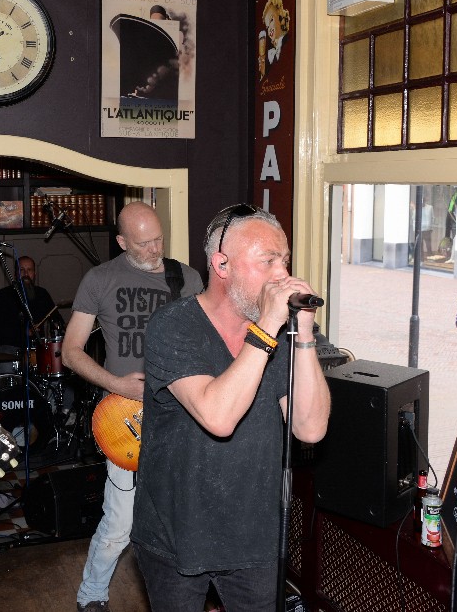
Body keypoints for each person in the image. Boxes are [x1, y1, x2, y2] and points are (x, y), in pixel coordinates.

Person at [132, 204, 331, 611]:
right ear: (221, 265)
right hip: (176, 534)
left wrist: (305, 334)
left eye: (285, 261)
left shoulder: (282, 335)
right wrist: (266, 331)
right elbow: (218, 417)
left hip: (253, 536)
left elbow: (310, 428)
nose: (282, 275)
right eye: (268, 261)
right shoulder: (173, 325)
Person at [62, 201, 203, 612]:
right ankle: (91, 595)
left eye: (159, 238)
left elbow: (203, 342)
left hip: (182, 417)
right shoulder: (99, 280)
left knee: (186, 516)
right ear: (122, 241)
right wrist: (117, 384)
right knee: (120, 523)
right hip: (126, 420)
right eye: (144, 243)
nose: (155, 249)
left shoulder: (187, 278)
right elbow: (71, 352)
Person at [0, 255, 62, 374]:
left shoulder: (42, 294)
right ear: (16, 273)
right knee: (6, 370)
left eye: (29, 270)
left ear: (34, 274)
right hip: (10, 349)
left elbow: (57, 320)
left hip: (38, 349)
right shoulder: (4, 295)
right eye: (22, 270)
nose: (26, 274)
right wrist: (24, 331)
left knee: (55, 373)